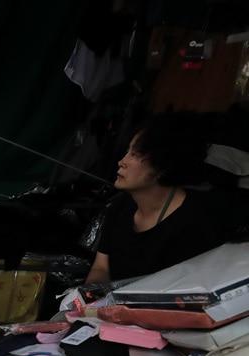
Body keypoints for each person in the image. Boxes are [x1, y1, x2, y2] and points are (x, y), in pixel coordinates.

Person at [86, 114, 224, 284]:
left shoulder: (194, 221)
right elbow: (101, 267)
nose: (122, 161)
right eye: (127, 152)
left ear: (163, 165)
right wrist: (90, 299)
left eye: (135, 154)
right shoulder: (119, 206)